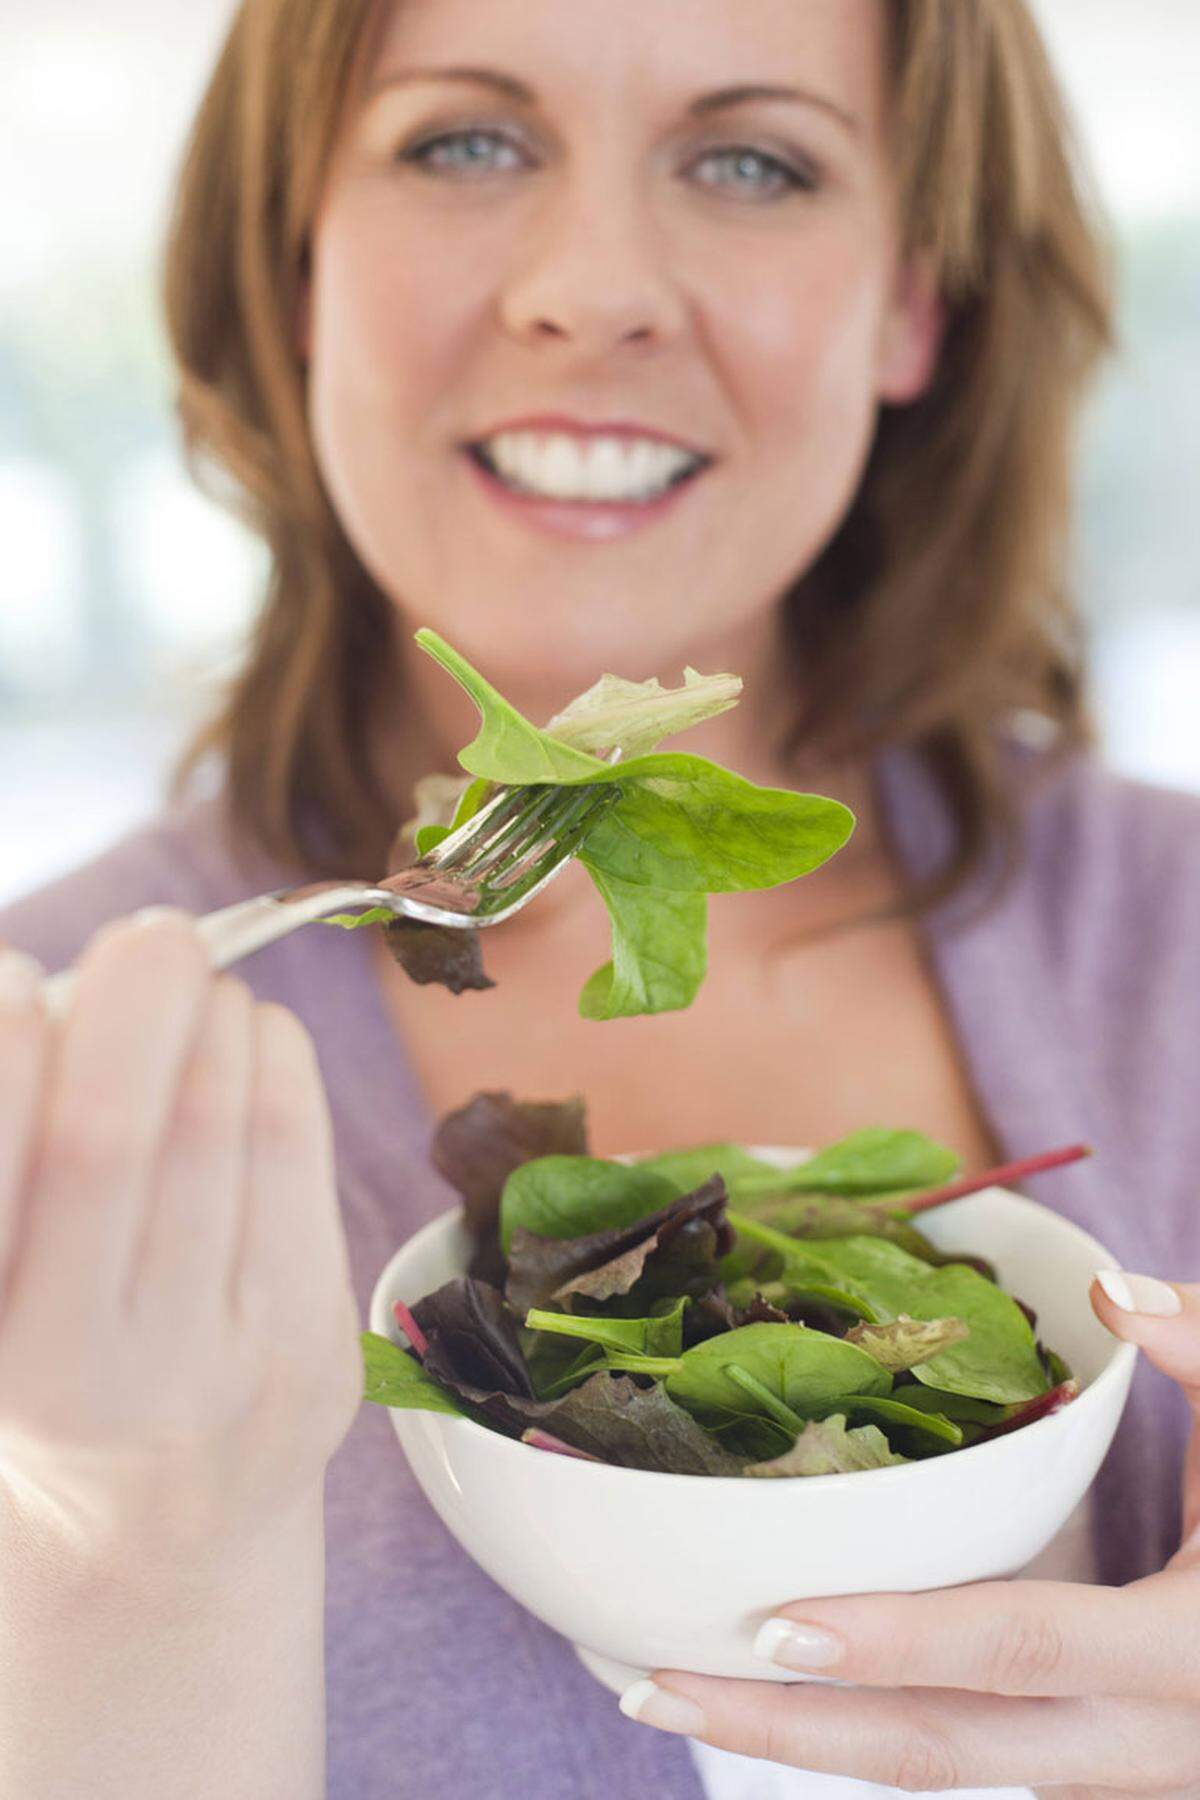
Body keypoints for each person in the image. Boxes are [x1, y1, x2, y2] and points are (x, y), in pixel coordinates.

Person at [1, 0, 1197, 1794]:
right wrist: (127, 1564)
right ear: (294, 263)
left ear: (912, 302)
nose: (592, 287)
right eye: (464, 140)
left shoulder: (1172, 942)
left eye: (751, 160)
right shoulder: (52, 1062)